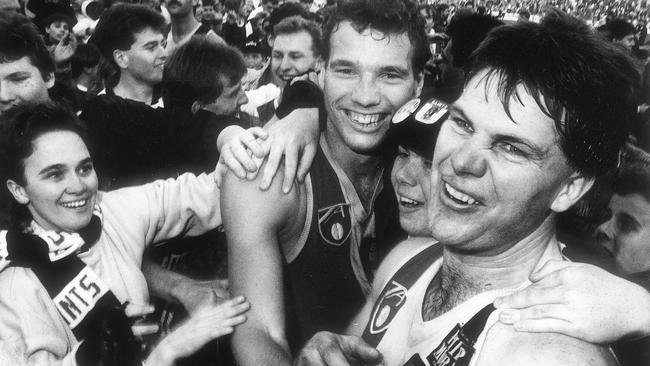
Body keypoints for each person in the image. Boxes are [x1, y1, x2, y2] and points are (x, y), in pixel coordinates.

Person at [296, 10, 639, 366]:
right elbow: (348, 349)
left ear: (569, 188)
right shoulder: (407, 261)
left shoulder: (552, 356)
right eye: (461, 123)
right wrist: (323, 351)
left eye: (511, 147)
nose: (461, 160)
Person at [221, 0, 428, 364]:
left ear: (419, 82)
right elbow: (259, 333)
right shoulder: (266, 175)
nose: (365, 96)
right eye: (346, 71)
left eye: (389, 75)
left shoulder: (441, 167)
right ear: (320, 73)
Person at [0, 103, 250, 365]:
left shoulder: (109, 211)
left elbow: (204, 195)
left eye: (84, 168)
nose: (78, 186)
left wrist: (238, 143)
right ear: (19, 190)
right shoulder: (13, 287)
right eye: (55, 175)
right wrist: (166, 352)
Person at [243, 15, 323, 125]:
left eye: (295, 56)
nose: (284, 66)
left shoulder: (330, 108)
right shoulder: (268, 94)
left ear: (317, 63)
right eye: (278, 55)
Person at [90, 3, 167, 106]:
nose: (164, 54)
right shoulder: (98, 112)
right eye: (151, 47)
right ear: (121, 58)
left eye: (163, 44)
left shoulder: (181, 100)